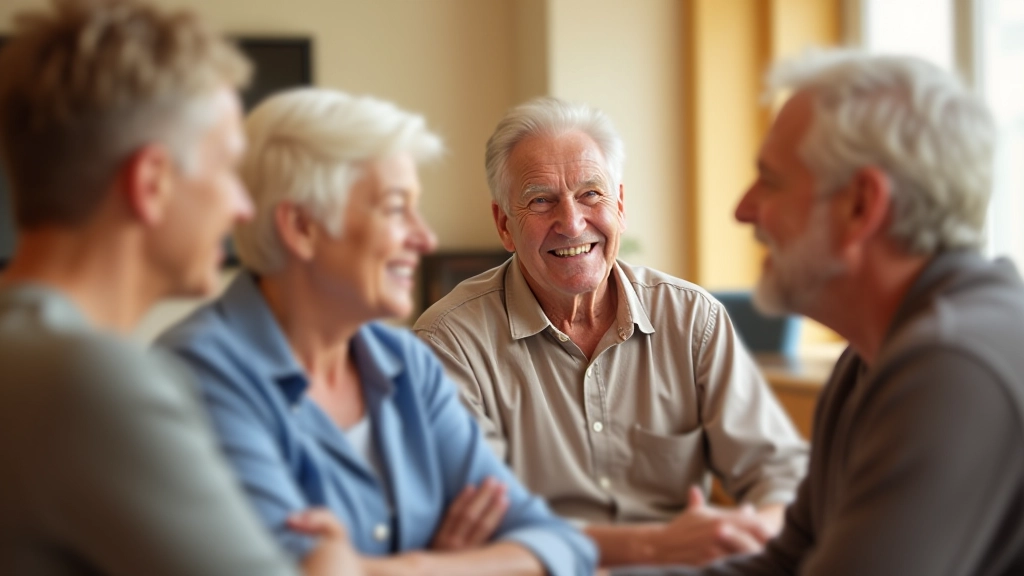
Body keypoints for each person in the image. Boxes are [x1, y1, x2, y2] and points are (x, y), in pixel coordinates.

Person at [613, 50, 1024, 576]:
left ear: (860, 206)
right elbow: (786, 563)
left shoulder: (952, 364)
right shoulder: (866, 359)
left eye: (771, 180)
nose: (743, 209)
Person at [157, 87, 598, 576]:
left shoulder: (404, 364)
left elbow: (560, 545)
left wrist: (399, 569)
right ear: (302, 226)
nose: (424, 237)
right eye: (394, 208)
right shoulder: (193, 379)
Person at [0, 0, 358, 574]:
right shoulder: (92, 383)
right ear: (152, 182)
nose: (242, 206)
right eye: (226, 170)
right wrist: (332, 561)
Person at [413, 97, 809, 567]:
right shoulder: (448, 343)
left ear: (619, 205)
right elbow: (479, 524)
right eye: (541, 200)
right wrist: (652, 547)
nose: (572, 222)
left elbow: (777, 471)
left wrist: (755, 529)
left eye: (590, 194)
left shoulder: (692, 320)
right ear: (504, 224)